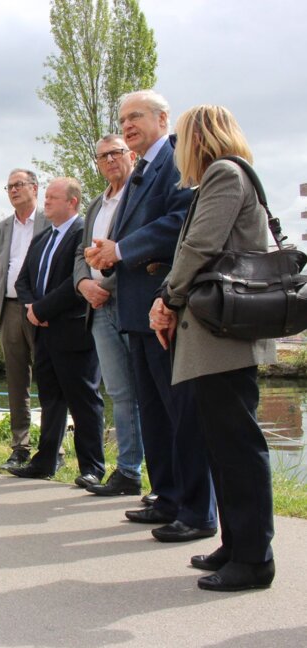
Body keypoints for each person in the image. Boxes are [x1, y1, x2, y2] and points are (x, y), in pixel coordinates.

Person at [149, 105, 276, 591]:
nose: (177, 149)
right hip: (213, 334)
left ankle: (254, 558)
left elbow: (199, 247)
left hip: (222, 336)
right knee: (222, 444)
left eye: (180, 138)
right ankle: (237, 542)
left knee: (236, 445)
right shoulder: (219, 179)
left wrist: (166, 297)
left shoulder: (224, 174)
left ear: (198, 137)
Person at [86, 90, 217, 543]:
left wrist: (120, 249)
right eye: (122, 119)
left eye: (136, 116)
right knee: (154, 410)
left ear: (163, 118)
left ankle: (197, 509)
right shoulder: (142, 168)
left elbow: (178, 222)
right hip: (134, 306)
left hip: (164, 305)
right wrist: (109, 252)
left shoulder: (177, 160)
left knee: (180, 410)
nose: (127, 126)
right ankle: (166, 494)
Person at [8, 178, 105, 484]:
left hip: (73, 331)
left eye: (52, 197)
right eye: (46, 196)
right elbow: (22, 280)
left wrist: (43, 309)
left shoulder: (83, 233)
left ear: (72, 202)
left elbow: (76, 282)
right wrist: (32, 309)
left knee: (83, 401)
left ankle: (92, 467)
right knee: (50, 399)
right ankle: (45, 461)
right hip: (43, 331)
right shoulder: (42, 238)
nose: (45, 201)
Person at [73, 136, 145, 496]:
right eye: (102, 156)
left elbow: (140, 246)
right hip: (99, 309)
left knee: (150, 390)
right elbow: (80, 255)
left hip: (133, 302)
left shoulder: (140, 196)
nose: (110, 160)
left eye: (116, 153)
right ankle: (128, 472)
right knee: (119, 391)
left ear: (131, 156)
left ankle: (160, 477)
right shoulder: (94, 207)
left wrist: (109, 283)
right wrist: (84, 284)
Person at [0, 169, 48, 470]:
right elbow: (3, 267)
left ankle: (53, 448)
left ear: (35, 188)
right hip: (11, 309)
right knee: (16, 382)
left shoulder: (49, 222)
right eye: (9, 186)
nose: (13, 190)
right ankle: (20, 447)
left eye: (19, 185)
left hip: (42, 309)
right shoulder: (1, 229)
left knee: (50, 379)